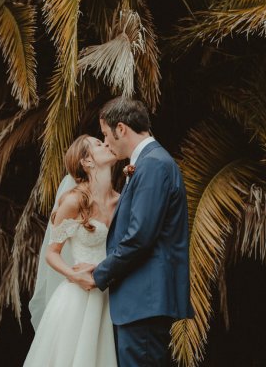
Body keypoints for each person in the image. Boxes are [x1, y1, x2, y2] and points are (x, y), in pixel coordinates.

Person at [72, 97, 194, 367]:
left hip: (144, 302)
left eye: (106, 134)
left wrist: (98, 274)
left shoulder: (154, 165)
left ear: (122, 129)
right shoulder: (149, 163)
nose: (106, 142)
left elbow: (140, 238)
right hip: (141, 302)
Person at [24, 134, 119, 367]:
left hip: (111, 296)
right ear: (86, 162)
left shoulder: (121, 201)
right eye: (98, 144)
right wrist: (73, 275)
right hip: (78, 298)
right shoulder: (75, 201)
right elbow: (51, 252)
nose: (107, 143)